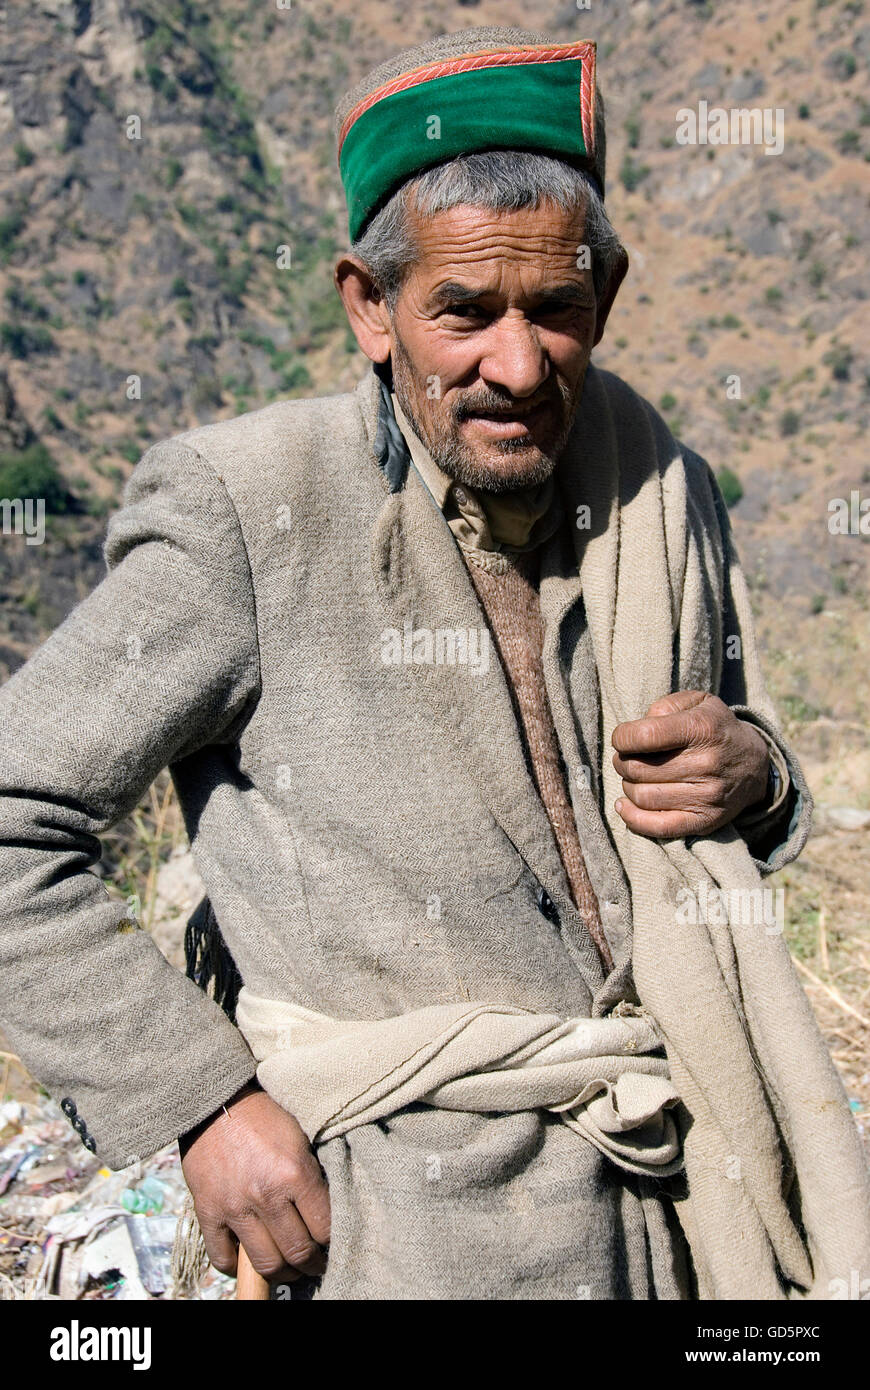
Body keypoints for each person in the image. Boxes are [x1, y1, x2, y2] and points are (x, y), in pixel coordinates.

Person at [0, 27, 867, 1301]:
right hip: (399, 1235)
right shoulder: (249, 511)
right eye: (464, 311)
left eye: (557, 311)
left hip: (688, 1217)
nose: (516, 367)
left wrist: (760, 777)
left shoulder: (661, 492)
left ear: (605, 300)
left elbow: (752, 765)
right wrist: (200, 1103)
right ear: (369, 305)